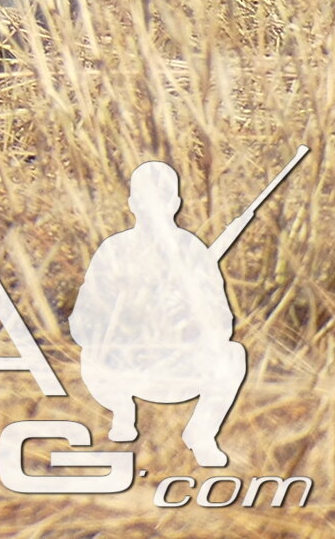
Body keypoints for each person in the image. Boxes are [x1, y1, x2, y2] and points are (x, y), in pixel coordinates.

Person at [68, 160, 251, 466]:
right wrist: (128, 315)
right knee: (89, 355)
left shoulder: (193, 252)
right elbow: (82, 325)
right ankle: (122, 413)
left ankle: (202, 433)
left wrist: (188, 312)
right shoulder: (114, 251)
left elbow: (222, 325)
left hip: (180, 370)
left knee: (232, 355)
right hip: (122, 369)